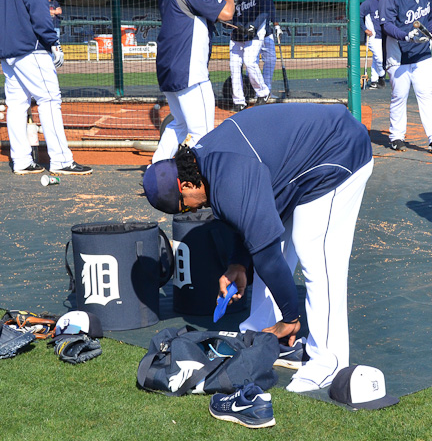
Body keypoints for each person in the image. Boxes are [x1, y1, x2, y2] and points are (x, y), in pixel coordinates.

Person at [142, 103, 373, 393]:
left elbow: (266, 253)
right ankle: (264, 330)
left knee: (316, 251)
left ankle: (330, 362)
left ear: (187, 183)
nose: (188, 211)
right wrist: (238, 264)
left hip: (338, 149)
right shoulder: (203, 163)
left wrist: (291, 318)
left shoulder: (228, 176)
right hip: (299, 164)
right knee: (266, 247)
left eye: (182, 205)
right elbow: (247, 219)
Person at [0, 0, 91, 175]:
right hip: (29, 48)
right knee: (49, 100)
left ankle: (21, 160)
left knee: (17, 104)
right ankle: (61, 160)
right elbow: (39, 10)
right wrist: (52, 41)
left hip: (6, 50)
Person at [152, 0, 239, 163]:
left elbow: (210, 16)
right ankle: (193, 177)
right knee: (202, 132)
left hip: (168, 67)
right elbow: (227, 13)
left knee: (179, 124)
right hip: (189, 70)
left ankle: (158, 168)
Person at [379, 0, 432, 153]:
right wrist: (405, 35)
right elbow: (386, 25)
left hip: (423, 54)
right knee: (399, 96)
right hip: (398, 55)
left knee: (426, 95)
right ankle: (396, 137)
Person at [226, 0, 273, 110]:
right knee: (234, 65)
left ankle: (263, 92)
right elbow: (224, 14)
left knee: (250, 61)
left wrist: (253, 27)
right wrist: (228, 23)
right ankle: (239, 101)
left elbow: (265, 11)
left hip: (256, 30)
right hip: (238, 32)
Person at [251, 0, 280, 99]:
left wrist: (276, 24)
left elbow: (271, 8)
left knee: (271, 60)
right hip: (253, 32)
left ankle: (267, 89)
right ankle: (256, 91)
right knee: (253, 62)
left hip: (267, 31)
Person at [359, 0, 387, 89]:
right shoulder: (369, 2)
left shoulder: (385, 2)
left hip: (383, 36)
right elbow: (358, 15)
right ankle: (382, 76)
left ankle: (374, 81)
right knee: (380, 59)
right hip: (373, 36)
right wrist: (365, 29)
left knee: (376, 59)